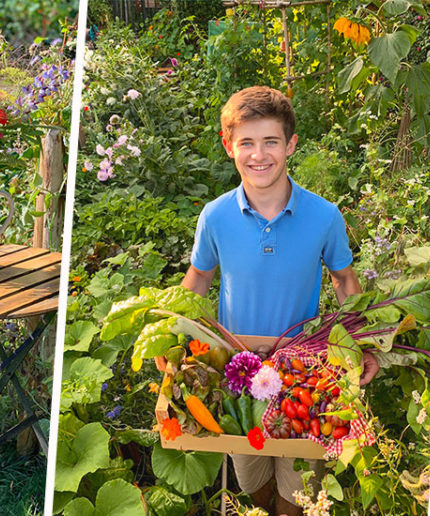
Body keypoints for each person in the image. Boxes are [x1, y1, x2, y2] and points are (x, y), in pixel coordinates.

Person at [159, 85, 379, 515]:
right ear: (229, 147)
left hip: (305, 374)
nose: (259, 155)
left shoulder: (324, 216)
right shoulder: (216, 216)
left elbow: (344, 279)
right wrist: (173, 339)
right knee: (249, 478)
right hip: (236, 372)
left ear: (291, 145)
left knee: (297, 488)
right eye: (247, 143)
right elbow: (200, 277)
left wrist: (362, 344)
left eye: (271, 142)